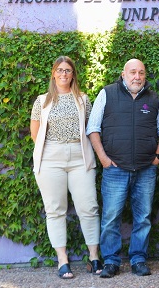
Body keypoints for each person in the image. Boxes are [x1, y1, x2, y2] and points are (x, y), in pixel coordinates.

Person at [86, 58, 159, 278]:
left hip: (145, 169)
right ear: (123, 74)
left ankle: (138, 259)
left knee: (142, 217)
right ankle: (111, 262)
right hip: (115, 168)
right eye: (133, 72)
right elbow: (93, 129)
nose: (137, 77)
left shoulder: (153, 98)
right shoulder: (107, 93)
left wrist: (158, 157)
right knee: (111, 217)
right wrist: (104, 159)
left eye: (141, 73)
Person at [30, 56, 102, 279]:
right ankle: (63, 260)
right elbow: (35, 133)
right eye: (60, 70)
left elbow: (91, 128)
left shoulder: (83, 99)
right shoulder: (42, 101)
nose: (64, 74)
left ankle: (94, 256)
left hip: (80, 157)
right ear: (54, 73)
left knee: (88, 207)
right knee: (55, 210)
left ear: (73, 74)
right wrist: (54, 152)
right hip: (51, 157)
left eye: (68, 71)